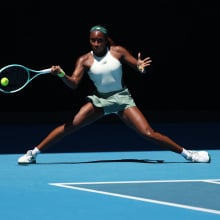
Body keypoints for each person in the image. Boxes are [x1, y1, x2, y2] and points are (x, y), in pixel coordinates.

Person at [18, 24, 211, 164]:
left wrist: (142, 68)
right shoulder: (84, 60)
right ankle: (33, 153)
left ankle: (189, 155)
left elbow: (139, 68)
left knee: (148, 133)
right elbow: (74, 84)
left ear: (105, 40)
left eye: (99, 40)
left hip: (122, 98)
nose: (96, 43)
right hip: (100, 100)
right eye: (92, 40)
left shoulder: (118, 52)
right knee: (70, 126)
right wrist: (61, 74)